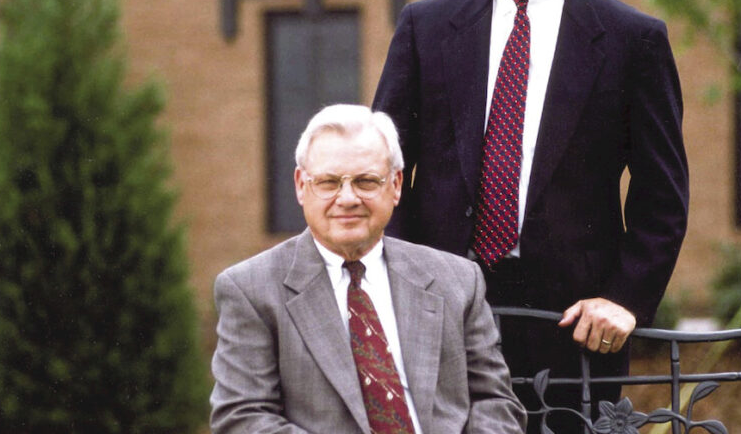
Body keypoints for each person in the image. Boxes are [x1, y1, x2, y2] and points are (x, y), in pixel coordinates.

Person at [372, 0, 689, 429]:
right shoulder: (426, 28)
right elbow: (381, 168)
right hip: (440, 317)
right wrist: (399, 282)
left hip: (572, 330)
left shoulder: (631, 40)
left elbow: (661, 195)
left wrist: (625, 300)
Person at [210, 104, 527, 433]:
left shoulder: (456, 280)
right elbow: (243, 418)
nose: (347, 198)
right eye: (329, 182)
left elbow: (496, 402)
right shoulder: (250, 290)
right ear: (301, 186)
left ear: (396, 185)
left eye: (366, 181)